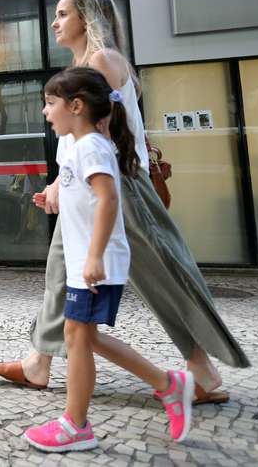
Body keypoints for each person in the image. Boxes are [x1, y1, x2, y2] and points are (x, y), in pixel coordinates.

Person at [0, 0, 249, 404]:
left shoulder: (102, 61)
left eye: (62, 14)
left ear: (86, 19)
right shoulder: (85, 64)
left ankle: (202, 372)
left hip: (116, 186)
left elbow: (98, 133)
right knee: (60, 272)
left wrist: (61, 182)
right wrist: (60, 183)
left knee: (162, 276)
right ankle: (38, 363)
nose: (55, 22)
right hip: (87, 187)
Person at [25, 67, 194, 452]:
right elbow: (87, 196)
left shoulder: (92, 147)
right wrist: (55, 199)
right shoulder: (80, 145)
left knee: (78, 337)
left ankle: (75, 426)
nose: (45, 112)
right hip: (88, 260)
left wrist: (96, 257)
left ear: (77, 106)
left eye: (50, 104)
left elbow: (109, 200)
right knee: (85, 337)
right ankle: (169, 384)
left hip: (94, 264)